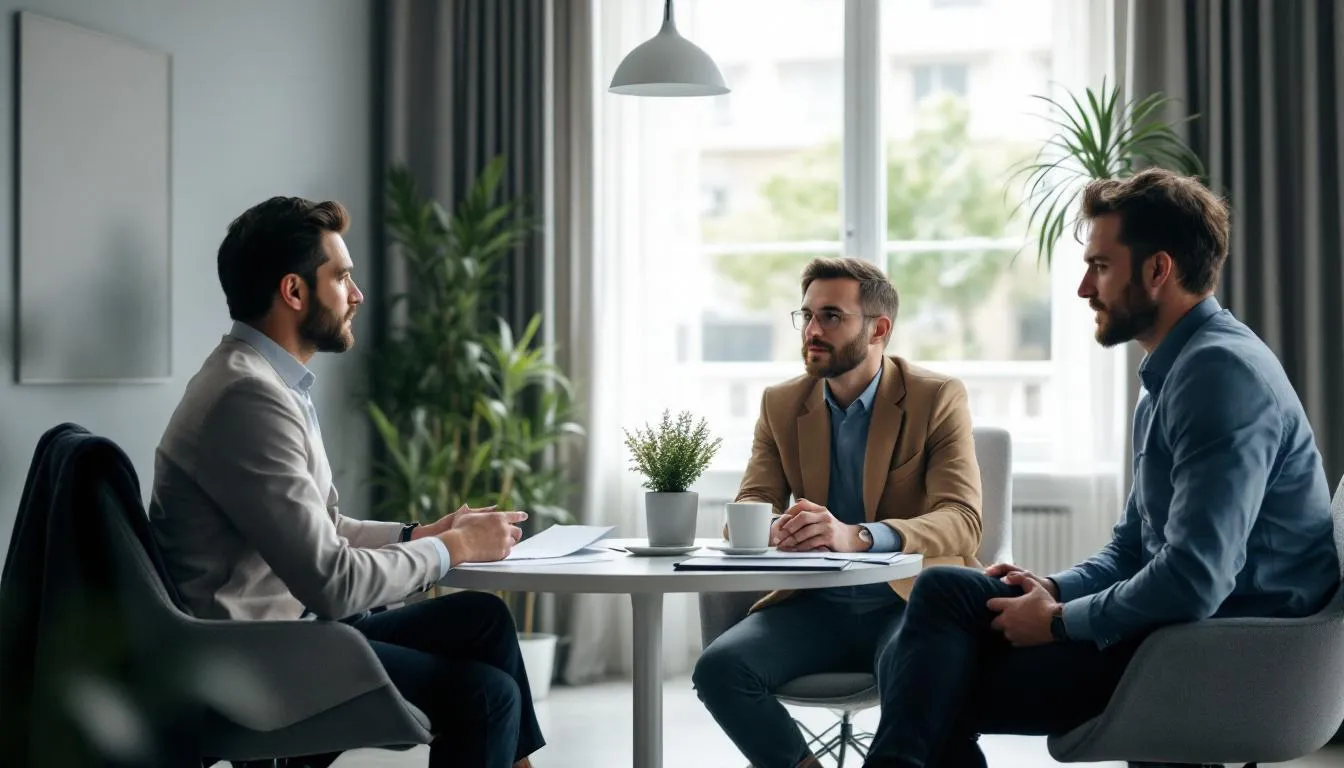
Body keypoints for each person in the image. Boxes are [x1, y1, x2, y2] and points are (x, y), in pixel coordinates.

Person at [860, 168, 1342, 768]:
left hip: (1227, 651)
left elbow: (1195, 578)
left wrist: (1060, 623)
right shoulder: (1174, 373)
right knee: (943, 593)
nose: (1085, 288)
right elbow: (1132, 547)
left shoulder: (1219, 375)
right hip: (1187, 629)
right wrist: (1052, 589)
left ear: (1158, 270)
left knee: (927, 681)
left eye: (1101, 266)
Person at [148, 196, 544, 768]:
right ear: (294, 292)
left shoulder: (269, 382)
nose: (356, 295)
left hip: (290, 634)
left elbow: (326, 529)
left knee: (482, 620)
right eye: (342, 276)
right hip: (250, 659)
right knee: (484, 697)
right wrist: (451, 547)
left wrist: (420, 533)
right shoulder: (248, 397)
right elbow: (331, 582)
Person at [692, 257, 985, 768]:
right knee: (719, 669)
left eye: (831, 316)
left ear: (879, 329)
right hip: (812, 606)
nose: (811, 330)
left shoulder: (935, 397)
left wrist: (861, 537)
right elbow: (752, 500)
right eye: (805, 316)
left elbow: (962, 519)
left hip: (906, 604)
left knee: (919, 681)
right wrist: (771, 526)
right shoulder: (782, 403)